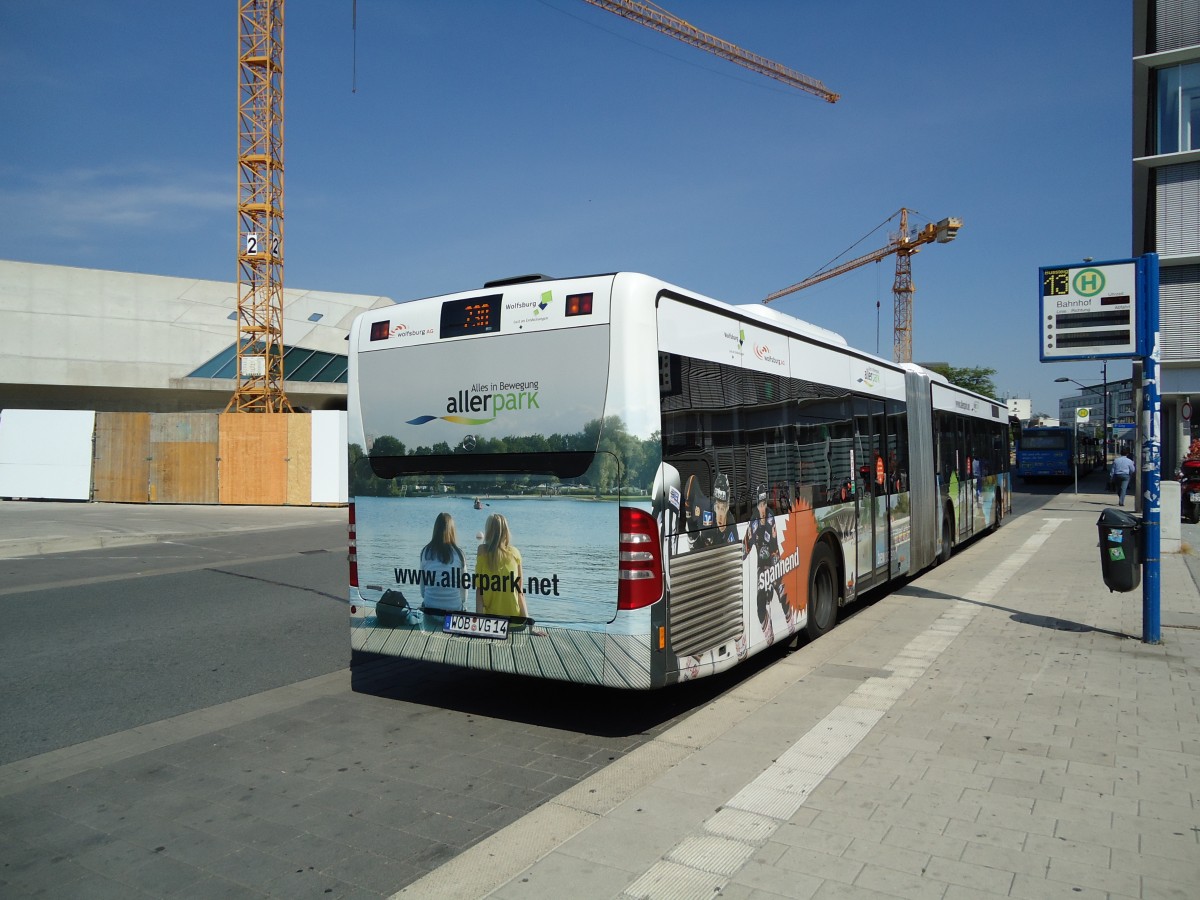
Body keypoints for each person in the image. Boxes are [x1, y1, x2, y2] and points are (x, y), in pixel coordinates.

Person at [743, 483, 794, 643]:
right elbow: (745, 547)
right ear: (757, 505)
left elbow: (773, 546)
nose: (763, 508)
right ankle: (768, 632)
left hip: (774, 561)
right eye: (760, 505)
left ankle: (791, 624)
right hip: (761, 566)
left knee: (782, 593)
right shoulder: (753, 522)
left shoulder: (771, 517)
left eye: (764, 504)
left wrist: (774, 571)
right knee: (759, 604)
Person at [475, 513, 530, 620]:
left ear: (488, 531)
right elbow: (520, 593)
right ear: (506, 531)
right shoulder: (515, 553)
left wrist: (479, 623)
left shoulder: (482, 552)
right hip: (515, 621)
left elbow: (479, 592)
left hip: (491, 623)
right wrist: (530, 625)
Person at [418, 512, 467, 612]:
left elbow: (423, 592)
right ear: (452, 530)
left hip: (430, 610)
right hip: (454, 610)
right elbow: (464, 592)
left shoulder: (425, 552)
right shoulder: (459, 554)